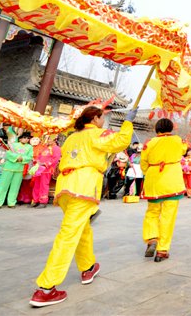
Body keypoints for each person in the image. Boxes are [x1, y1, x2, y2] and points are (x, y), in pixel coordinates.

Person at [30, 105, 134, 308]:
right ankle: (46, 288)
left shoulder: (72, 137)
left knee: (81, 228)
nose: (103, 121)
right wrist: (128, 123)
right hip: (83, 186)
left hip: (66, 187)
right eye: (101, 117)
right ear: (94, 119)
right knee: (68, 234)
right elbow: (121, 141)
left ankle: (88, 267)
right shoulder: (97, 134)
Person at [140, 118, 187, 262]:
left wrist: (150, 172)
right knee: (168, 217)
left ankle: (152, 238)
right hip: (172, 182)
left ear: (157, 129)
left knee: (152, 212)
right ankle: (162, 250)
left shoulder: (150, 143)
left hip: (154, 181)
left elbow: (143, 163)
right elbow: (184, 149)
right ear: (171, 128)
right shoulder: (177, 140)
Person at [0, 129, 34, 209]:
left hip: (19, 169)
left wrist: (22, 158)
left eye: (28, 138)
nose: (26, 139)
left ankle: (11, 203)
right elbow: (8, 153)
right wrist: (17, 157)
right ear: (20, 139)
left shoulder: (30, 147)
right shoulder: (13, 145)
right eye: (24, 137)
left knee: (15, 187)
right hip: (8, 168)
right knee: (3, 186)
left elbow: (30, 156)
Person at [31, 136, 61, 208]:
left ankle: (43, 201)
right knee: (37, 184)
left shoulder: (56, 148)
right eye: (47, 139)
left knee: (44, 185)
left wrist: (45, 164)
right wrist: (37, 161)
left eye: (49, 139)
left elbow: (55, 159)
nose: (47, 140)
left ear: (54, 139)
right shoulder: (45, 147)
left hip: (47, 169)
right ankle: (35, 200)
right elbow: (39, 156)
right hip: (39, 168)